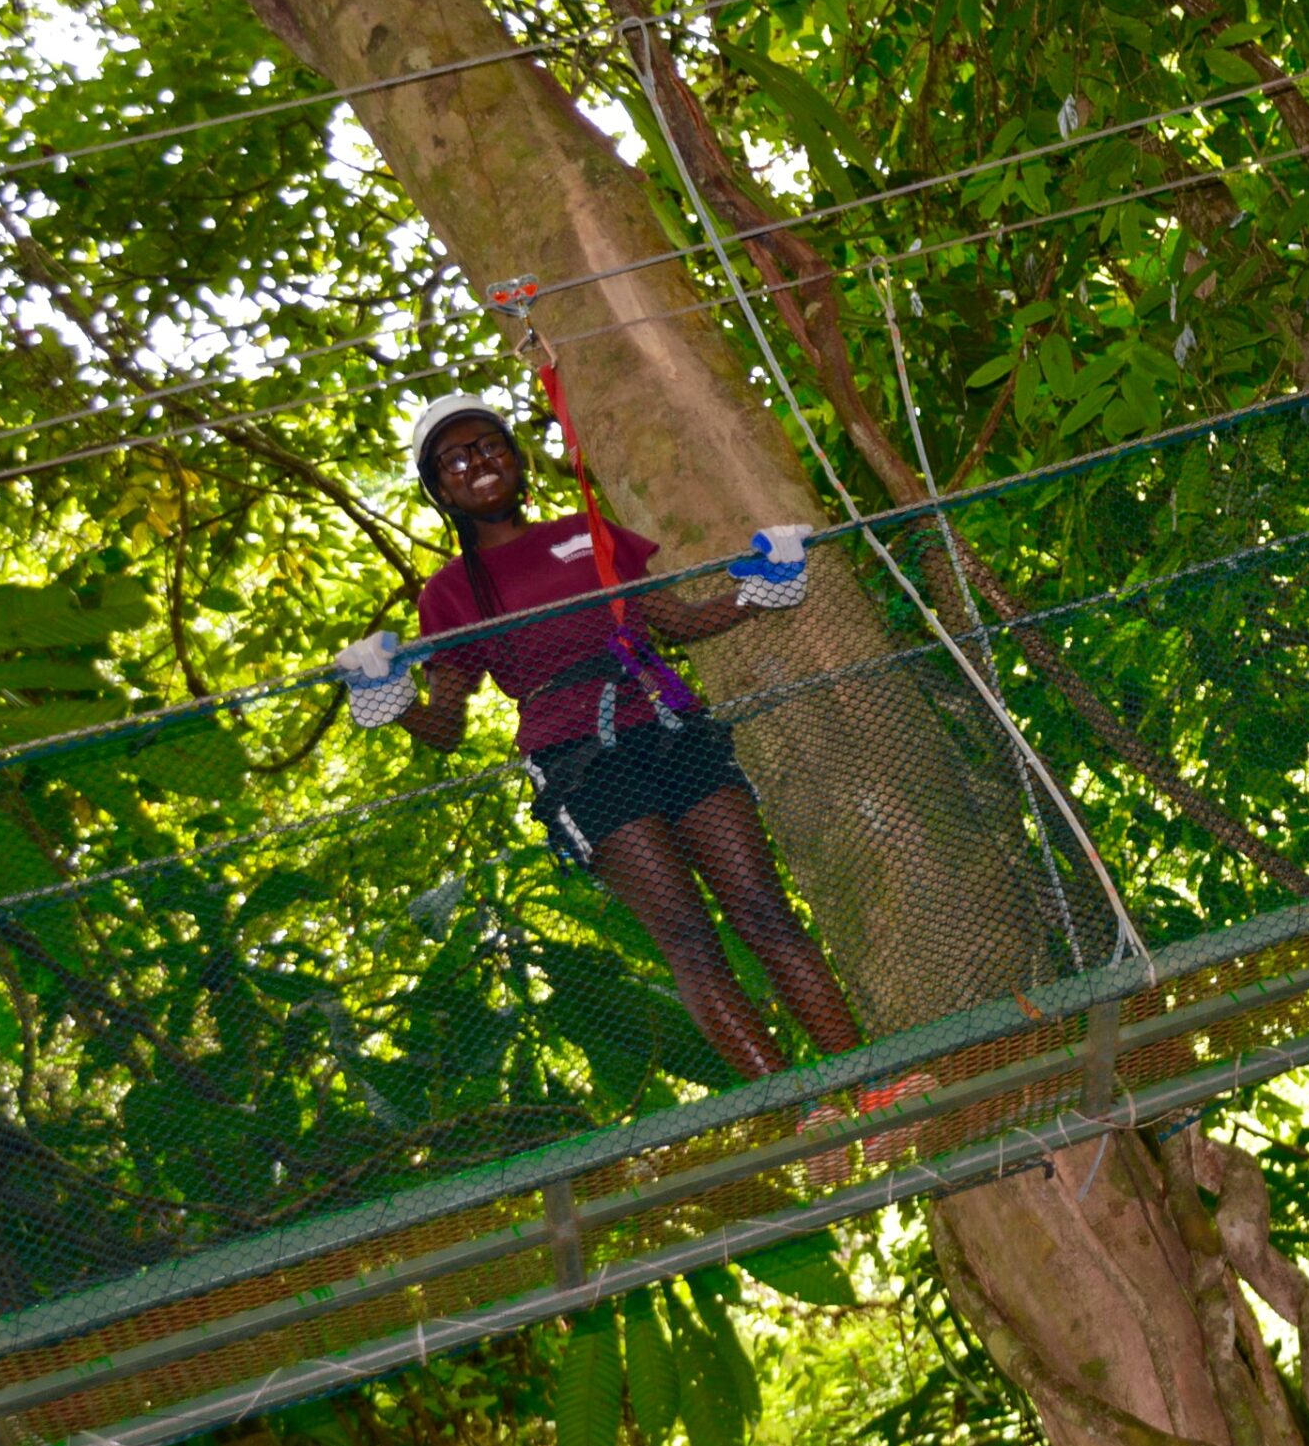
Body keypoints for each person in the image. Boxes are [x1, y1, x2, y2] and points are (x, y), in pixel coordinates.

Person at [335, 396, 926, 1149]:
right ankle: (806, 1119)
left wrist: (759, 590)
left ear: (515, 460)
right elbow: (447, 725)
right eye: (456, 459)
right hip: (579, 762)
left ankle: (869, 1087)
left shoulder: (588, 534)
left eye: (489, 446)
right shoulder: (451, 592)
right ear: (439, 490)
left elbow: (673, 623)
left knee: (763, 909)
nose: (478, 463)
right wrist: (389, 701)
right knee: (688, 937)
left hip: (669, 729)